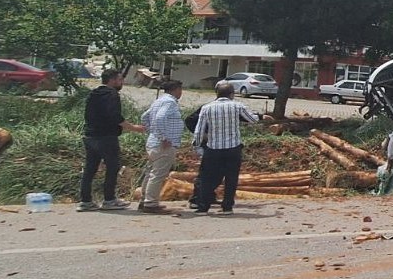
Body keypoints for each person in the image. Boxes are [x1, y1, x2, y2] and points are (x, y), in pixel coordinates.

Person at [77, 69, 146, 211]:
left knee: (90, 169)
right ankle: (109, 200)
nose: (122, 83)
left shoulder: (93, 93)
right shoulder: (111, 94)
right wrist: (133, 127)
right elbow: (114, 116)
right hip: (106, 137)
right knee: (113, 167)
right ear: (112, 80)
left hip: (90, 136)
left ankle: (85, 201)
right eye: (120, 80)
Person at [191, 81, 259, 214]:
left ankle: (203, 206)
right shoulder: (237, 106)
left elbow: (199, 130)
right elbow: (253, 119)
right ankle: (227, 207)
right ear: (232, 94)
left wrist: (197, 145)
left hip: (213, 148)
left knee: (207, 177)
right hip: (233, 148)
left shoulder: (207, 108)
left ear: (217, 93)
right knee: (231, 178)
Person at [136, 79, 185, 214]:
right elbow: (160, 118)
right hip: (163, 145)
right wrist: (163, 137)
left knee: (151, 172)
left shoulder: (159, 101)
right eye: (180, 90)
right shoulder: (170, 102)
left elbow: (144, 117)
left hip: (154, 142)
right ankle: (151, 204)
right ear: (176, 90)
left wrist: (151, 131)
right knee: (158, 174)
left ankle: (145, 200)